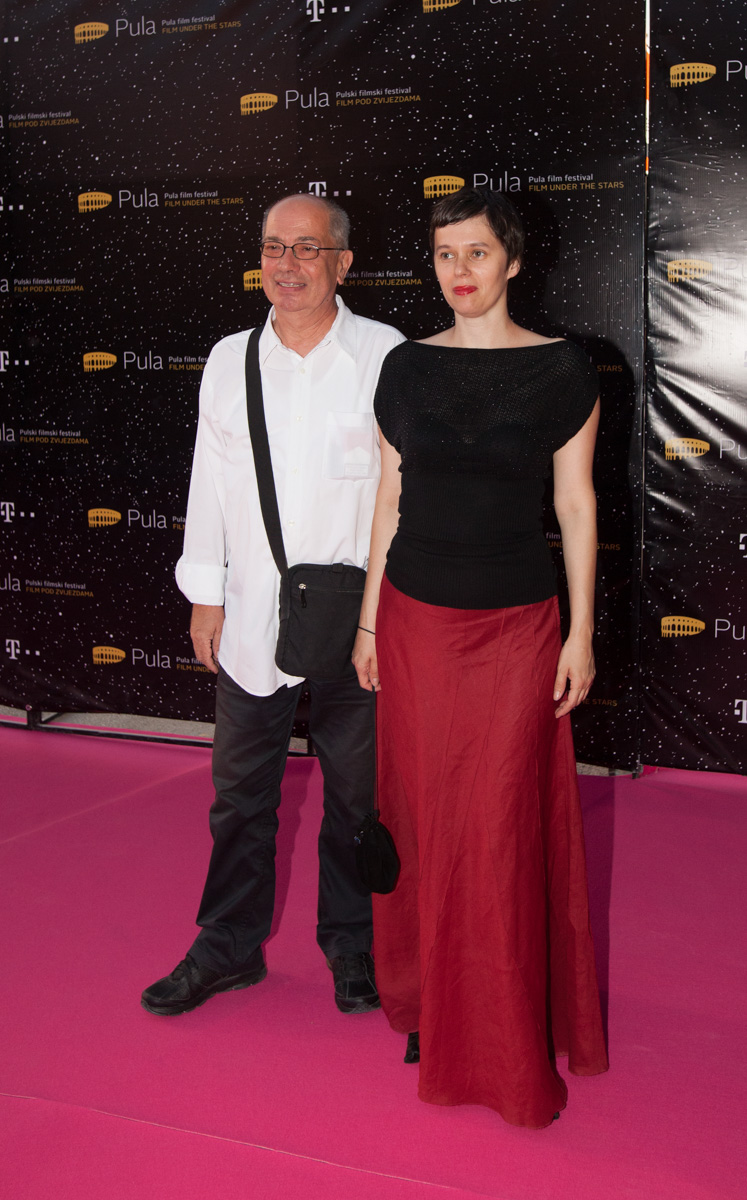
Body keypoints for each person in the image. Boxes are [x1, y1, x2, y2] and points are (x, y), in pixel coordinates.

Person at [352, 186, 609, 1128]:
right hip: (414, 621)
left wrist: (580, 633)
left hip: (514, 629)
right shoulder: (403, 368)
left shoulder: (561, 369)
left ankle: (499, 1028)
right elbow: (387, 501)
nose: (458, 271)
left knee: (495, 824)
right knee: (423, 815)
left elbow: (574, 503)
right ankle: (430, 1000)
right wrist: (369, 625)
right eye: (444, 255)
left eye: (476, 253)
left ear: (513, 261)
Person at [141, 193, 404, 1018]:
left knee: (357, 798)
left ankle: (352, 944)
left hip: (358, 625)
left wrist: (386, 617)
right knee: (239, 798)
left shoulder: (385, 355)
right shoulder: (230, 360)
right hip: (253, 613)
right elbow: (208, 482)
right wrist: (204, 595)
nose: (286, 265)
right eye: (272, 247)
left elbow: (404, 498)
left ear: (342, 263)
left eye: (306, 248)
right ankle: (228, 945)